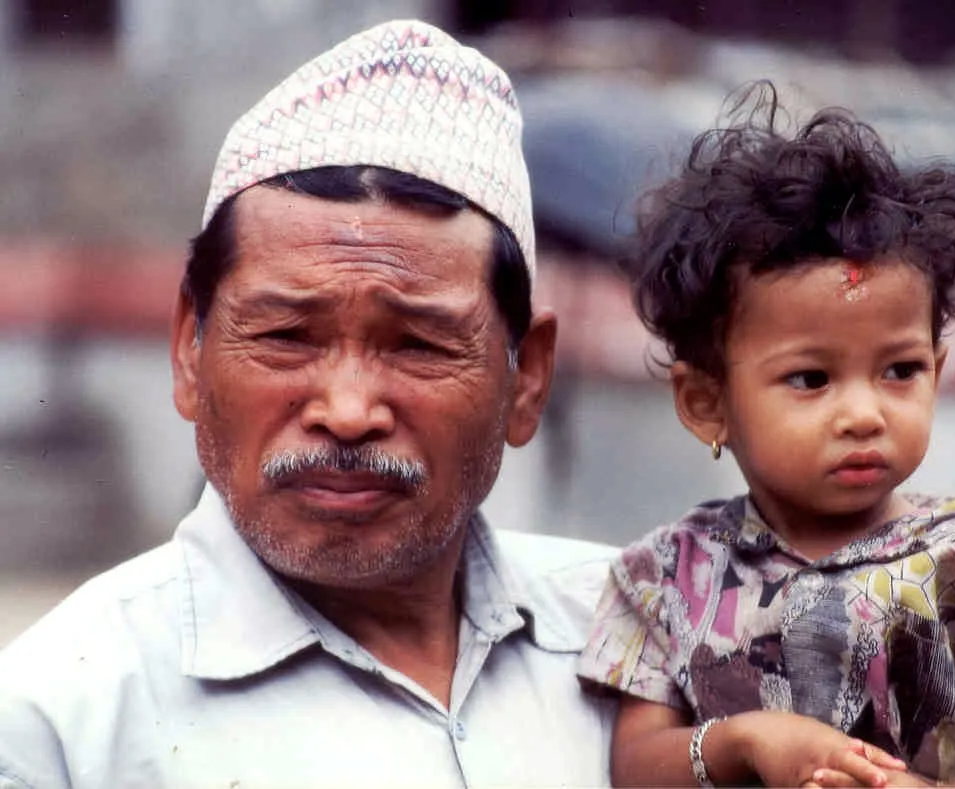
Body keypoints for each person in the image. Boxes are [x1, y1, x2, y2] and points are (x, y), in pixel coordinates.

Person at [0, 20, 619, 789]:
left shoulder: (642, 649)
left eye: (418, 345)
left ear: (526, 377)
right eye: (287, 336)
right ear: (189, 350)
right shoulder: (59, 724)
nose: (348, 410)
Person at [576, 83, 955, 787]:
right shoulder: (668, 577)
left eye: (899, 370)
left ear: (937, 372)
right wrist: (745, 742)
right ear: (706, 402)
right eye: (811, 378)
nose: (864, 413)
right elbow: (634, 766)